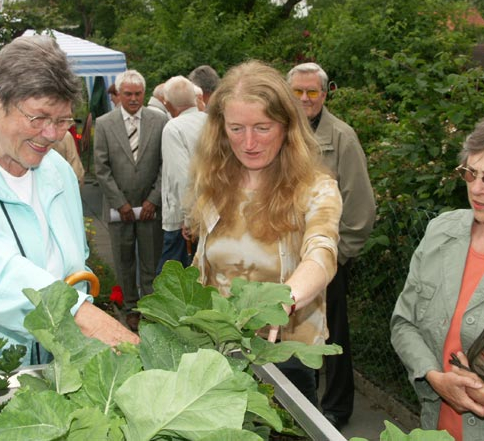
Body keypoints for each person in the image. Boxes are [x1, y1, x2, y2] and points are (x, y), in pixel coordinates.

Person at [0, 35, 139, 366]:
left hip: (49, 371)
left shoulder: (56, 170)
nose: (53, 135)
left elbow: (75, 266)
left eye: (63, 120)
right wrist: (82, 316)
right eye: (39, 118)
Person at [186, 60, 342, 406]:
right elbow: (203, 267)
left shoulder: (316, 189)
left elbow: (322, 253)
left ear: (287, 126)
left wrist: (283, 299)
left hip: (286, 358)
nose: (249, 142)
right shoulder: (215, 185)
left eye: (262, 127)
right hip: (219, 352)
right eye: (236, 128)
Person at [390, 109, 484, 441]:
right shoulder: (441, 231)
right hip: (435, 429)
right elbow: (403, 322)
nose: (477, 189)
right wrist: (433, 376)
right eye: (469, 173)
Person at [287, 62, 376, 429]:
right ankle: (297, 406)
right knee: (293, 333)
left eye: (313, 92)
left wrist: (340, 254)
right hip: (290, 260)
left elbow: (360, 204)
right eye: (298, 92)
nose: (305, 99)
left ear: (325, 93)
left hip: (327, 259)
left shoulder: (341, 136)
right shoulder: (282, 131)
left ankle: (336, 411)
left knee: (333, 337)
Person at [94, 69, 167, 314]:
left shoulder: (159, 121)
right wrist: (120, 202)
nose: (134, 99)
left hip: (150, 209)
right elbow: (101, 169)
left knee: (151, 262)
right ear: (119, 94)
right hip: (119, 210)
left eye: (138, 94)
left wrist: (154, 200)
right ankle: (130, 308)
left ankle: (151, 311)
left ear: (144, 93)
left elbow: (165, 165)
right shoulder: (104, 124)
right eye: (128, 94)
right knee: (124, 262)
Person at [157, 76, 207, 272]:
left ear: (167, 103)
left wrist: (188, 219)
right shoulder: (211, 122)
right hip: (212, 210)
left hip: (182, 220)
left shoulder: (173, 128)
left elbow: (181, 178)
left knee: (171, 277)